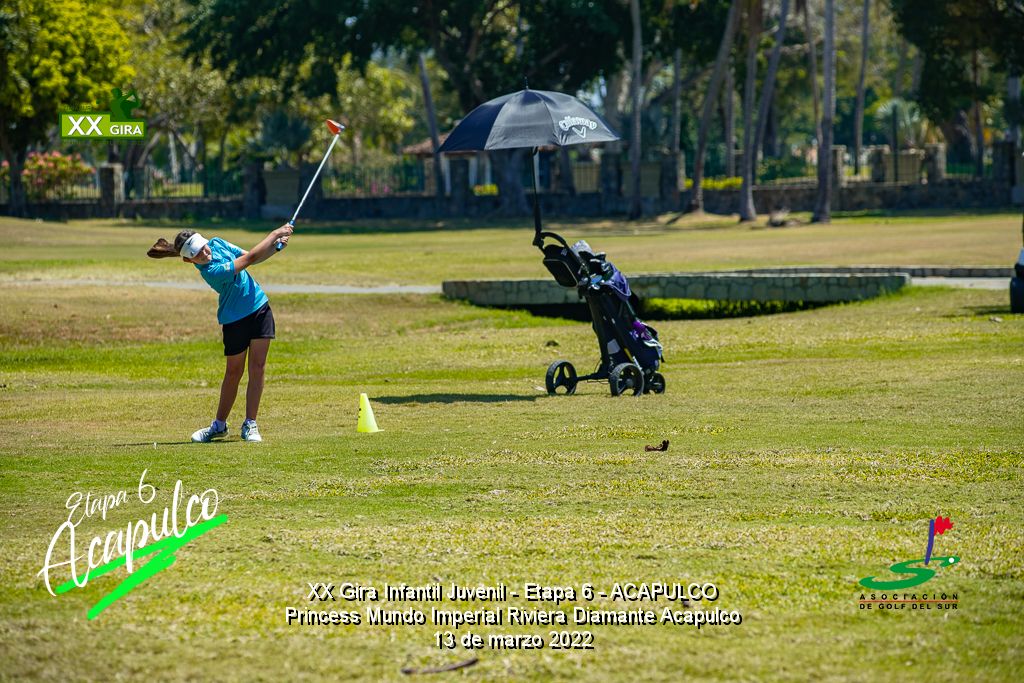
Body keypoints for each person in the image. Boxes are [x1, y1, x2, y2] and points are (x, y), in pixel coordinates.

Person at [147, 225, 292, 442]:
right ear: (189, 260)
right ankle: (219, 425)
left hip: (260, 308)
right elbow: (250, 258)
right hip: (234, 320)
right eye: (197, 254)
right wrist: (274, 234)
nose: (205, 253)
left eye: (203, 247)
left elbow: (252, 256)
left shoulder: (217, 243)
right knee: (233, 373)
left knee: (258, 367)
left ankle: (250, 423)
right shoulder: (211, 272)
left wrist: (275, 247)